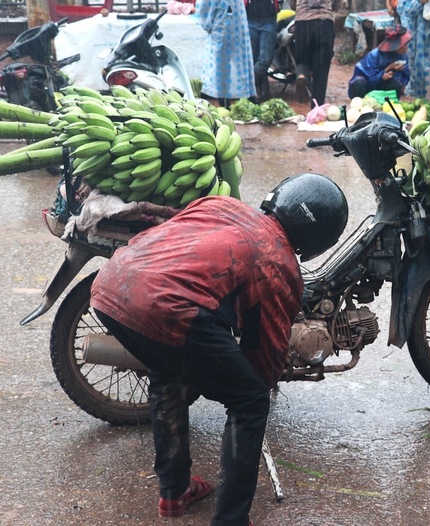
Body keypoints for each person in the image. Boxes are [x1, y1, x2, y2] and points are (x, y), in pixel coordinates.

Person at [90, 174, 349, 525]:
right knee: (250, 400)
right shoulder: (279, 261)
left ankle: (174, 491)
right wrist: (256, 375)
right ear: (319, 237)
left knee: (167, 370)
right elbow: (265, 359)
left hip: (110, 286)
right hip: (169, 307)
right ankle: (231, 520)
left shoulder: (222, 204)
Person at [197, 0, 257, 108]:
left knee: (242, 62)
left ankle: (248, 96)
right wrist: (208, 25)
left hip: (237, 25)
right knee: (222, 67)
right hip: (222, 25)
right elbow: (203, 6)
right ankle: (223, 100)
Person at [288, 0, 342, 107]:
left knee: (303, 59)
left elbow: (292, 4)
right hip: (323, 23)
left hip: (303, 24)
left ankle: (302, 76)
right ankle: (316, 109)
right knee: (321, 70)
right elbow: (336, 5)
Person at [348, 25, 412, 100]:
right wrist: (386, 71)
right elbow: (370, 79)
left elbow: (405, 77)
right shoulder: (374, 55)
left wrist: (394, 75)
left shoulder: (403, 57)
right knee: (358, 83)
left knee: (396, 84)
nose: (406, 47)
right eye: (404, 45)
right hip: (367, 86)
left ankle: (389, 106)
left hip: (384, 87)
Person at [245, 0, 279, 102]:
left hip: (269, 19)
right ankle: (264, 93)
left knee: (265, 59)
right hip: (250, 19)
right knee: (254, 59)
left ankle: (249, 88)